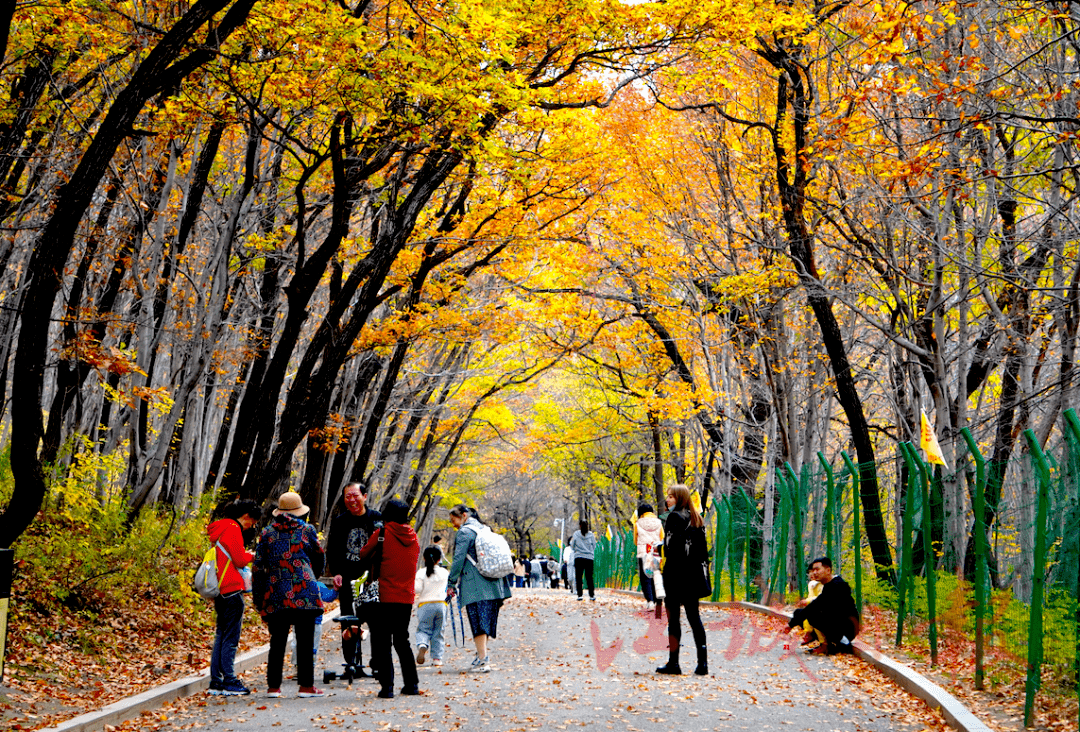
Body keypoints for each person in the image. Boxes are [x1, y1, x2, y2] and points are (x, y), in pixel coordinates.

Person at [252, 492, 326, 698]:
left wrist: (258, 599)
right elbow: (319, 557)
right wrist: (311, 574)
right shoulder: (307, 530)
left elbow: (258, 567)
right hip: (305, 591)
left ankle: (273, 687)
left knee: (277, 642)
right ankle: (306, 687)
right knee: (305, 640)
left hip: (277, 591)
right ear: (299, 512)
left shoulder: (267, 533)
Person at [359, 498, 420, 698]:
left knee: (383, 641)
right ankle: (411, 685)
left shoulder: (382, 533)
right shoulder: (414, 537)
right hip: (406, 597)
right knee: (402, 640)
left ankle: (387, 688)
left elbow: (363, 554)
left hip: (384, 596)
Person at [446, 505, 513, 672]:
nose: (453, 524)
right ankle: (480, 656)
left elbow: (458, 559)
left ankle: (483, 660)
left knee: (478, 621)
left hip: (476, 584)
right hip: (493, 583)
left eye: (453, 520)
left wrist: (451, 583)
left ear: (463, 515)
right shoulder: (484, 529)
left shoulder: (464, 532)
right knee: (486, 620)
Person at [326, 481, 383, 678]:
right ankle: (350, 663)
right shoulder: (340, 521)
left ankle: (376, 663)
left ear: (365, 496)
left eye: (355, 496)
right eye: (347, 497)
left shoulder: (376, 519)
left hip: (372, 580)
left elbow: (384, 549)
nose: (351, 500)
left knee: (376, 621)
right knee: (348, 621)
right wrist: (337, 573)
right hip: (348, 578)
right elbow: (333, 550)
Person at [206, 499, 260, 696]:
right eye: (252, 522)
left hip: (219, 589)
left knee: (221, 634)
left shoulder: (220, 528)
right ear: (246, 516)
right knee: (230, 637)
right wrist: (251, 555)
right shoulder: (233, 528)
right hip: (231, 588)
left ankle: (216, 681)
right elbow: (238, 558)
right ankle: (229, 679)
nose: (251, 526)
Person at [656, 484, 710, 676]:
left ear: (678, 498)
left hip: (675, 575)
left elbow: (670, 548)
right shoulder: (697, 519)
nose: (667, 500)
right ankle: (702, 664)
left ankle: (674, 663)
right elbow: (703, 552)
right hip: (693, 577)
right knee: (695, 619)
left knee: (674, 621)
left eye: (671, 496)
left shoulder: (673, 517)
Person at [787, 557, 859, 655]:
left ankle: (843, 642)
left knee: (812, 615)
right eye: (813, 570)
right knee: (799, 612)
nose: (814, 573)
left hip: (848, 627)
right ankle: (826, 643)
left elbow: (815, 605)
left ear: (828, 570)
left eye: (817, 569)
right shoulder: (828, 585)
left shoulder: (837, 585)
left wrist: (790, 625)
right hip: (837, 621)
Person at [414, 545, 450, 667]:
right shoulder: (445, 572)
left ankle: (423, 644)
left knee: (424, 628)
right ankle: (437, 659)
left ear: (424, 558)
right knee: (439, 632)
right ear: (439, 559)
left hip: (425, 605)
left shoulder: (421, 572)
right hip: (441, 605)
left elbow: (417, 589)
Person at [633, 502, 664, 609]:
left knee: (645, 577)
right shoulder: (659, 523)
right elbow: (662, 537)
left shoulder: (637, 523)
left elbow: (635, 540)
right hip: (655, 552)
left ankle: (650, 601)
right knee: (656, 576)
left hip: (643, 552)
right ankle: (658, 600)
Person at [569, 520, 597, 601]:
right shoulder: (591, 535)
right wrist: (589, 551)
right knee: (589, 577)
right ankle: (591, 595)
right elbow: (594, 545)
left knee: (579, 577)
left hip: (579, 557)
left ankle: (580, 595)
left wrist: (577, 550)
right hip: (589, 558)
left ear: (579, 525)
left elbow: (572, 545)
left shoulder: (576, 534)